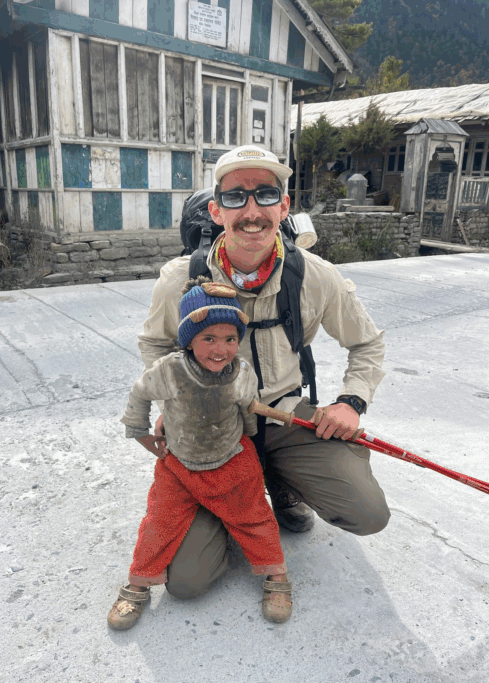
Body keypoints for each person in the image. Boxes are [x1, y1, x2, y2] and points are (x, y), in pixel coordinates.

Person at [129, 144, 389, 602]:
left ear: (284, 206)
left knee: (367, 512)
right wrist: (174, 400)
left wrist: (350, 402)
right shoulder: (179, 278)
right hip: (213, 430)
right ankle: (236, 506)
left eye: (266, 195)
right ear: (216, 210)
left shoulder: (314, 275)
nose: (252, 211)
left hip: (285, 415)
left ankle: (279, 480)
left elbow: (366, 343)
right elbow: (155, 343)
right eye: (235, 197)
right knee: (187, 582)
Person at [108, 278, 291, 629]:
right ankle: (138, 582)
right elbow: (140, 393)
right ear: (189, 340)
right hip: (178, 466)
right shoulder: (169, 370)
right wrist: (140, 433)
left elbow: (248, 416)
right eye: (208, 338)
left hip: (232, 463)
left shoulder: (242, 374)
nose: (220, 349)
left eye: (230, 339)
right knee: (159, 523)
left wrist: (251, 445)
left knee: (255, 518)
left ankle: (277, 575)